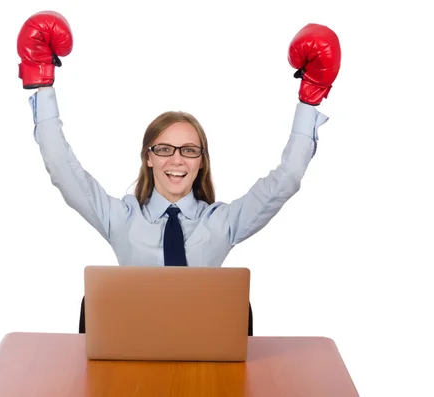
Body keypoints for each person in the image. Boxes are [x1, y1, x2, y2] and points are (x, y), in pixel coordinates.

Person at [17, 11, 341, 335]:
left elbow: (287, 178)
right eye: (164, 149)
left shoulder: (223, 222)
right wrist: (41, 80)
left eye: (189, 150)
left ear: (201, 161)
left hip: (204, 358)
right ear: (148, 158)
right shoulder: (120, 218)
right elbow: (61, 166)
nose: (177, 160)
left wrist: (310, 96)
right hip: (132, 355)